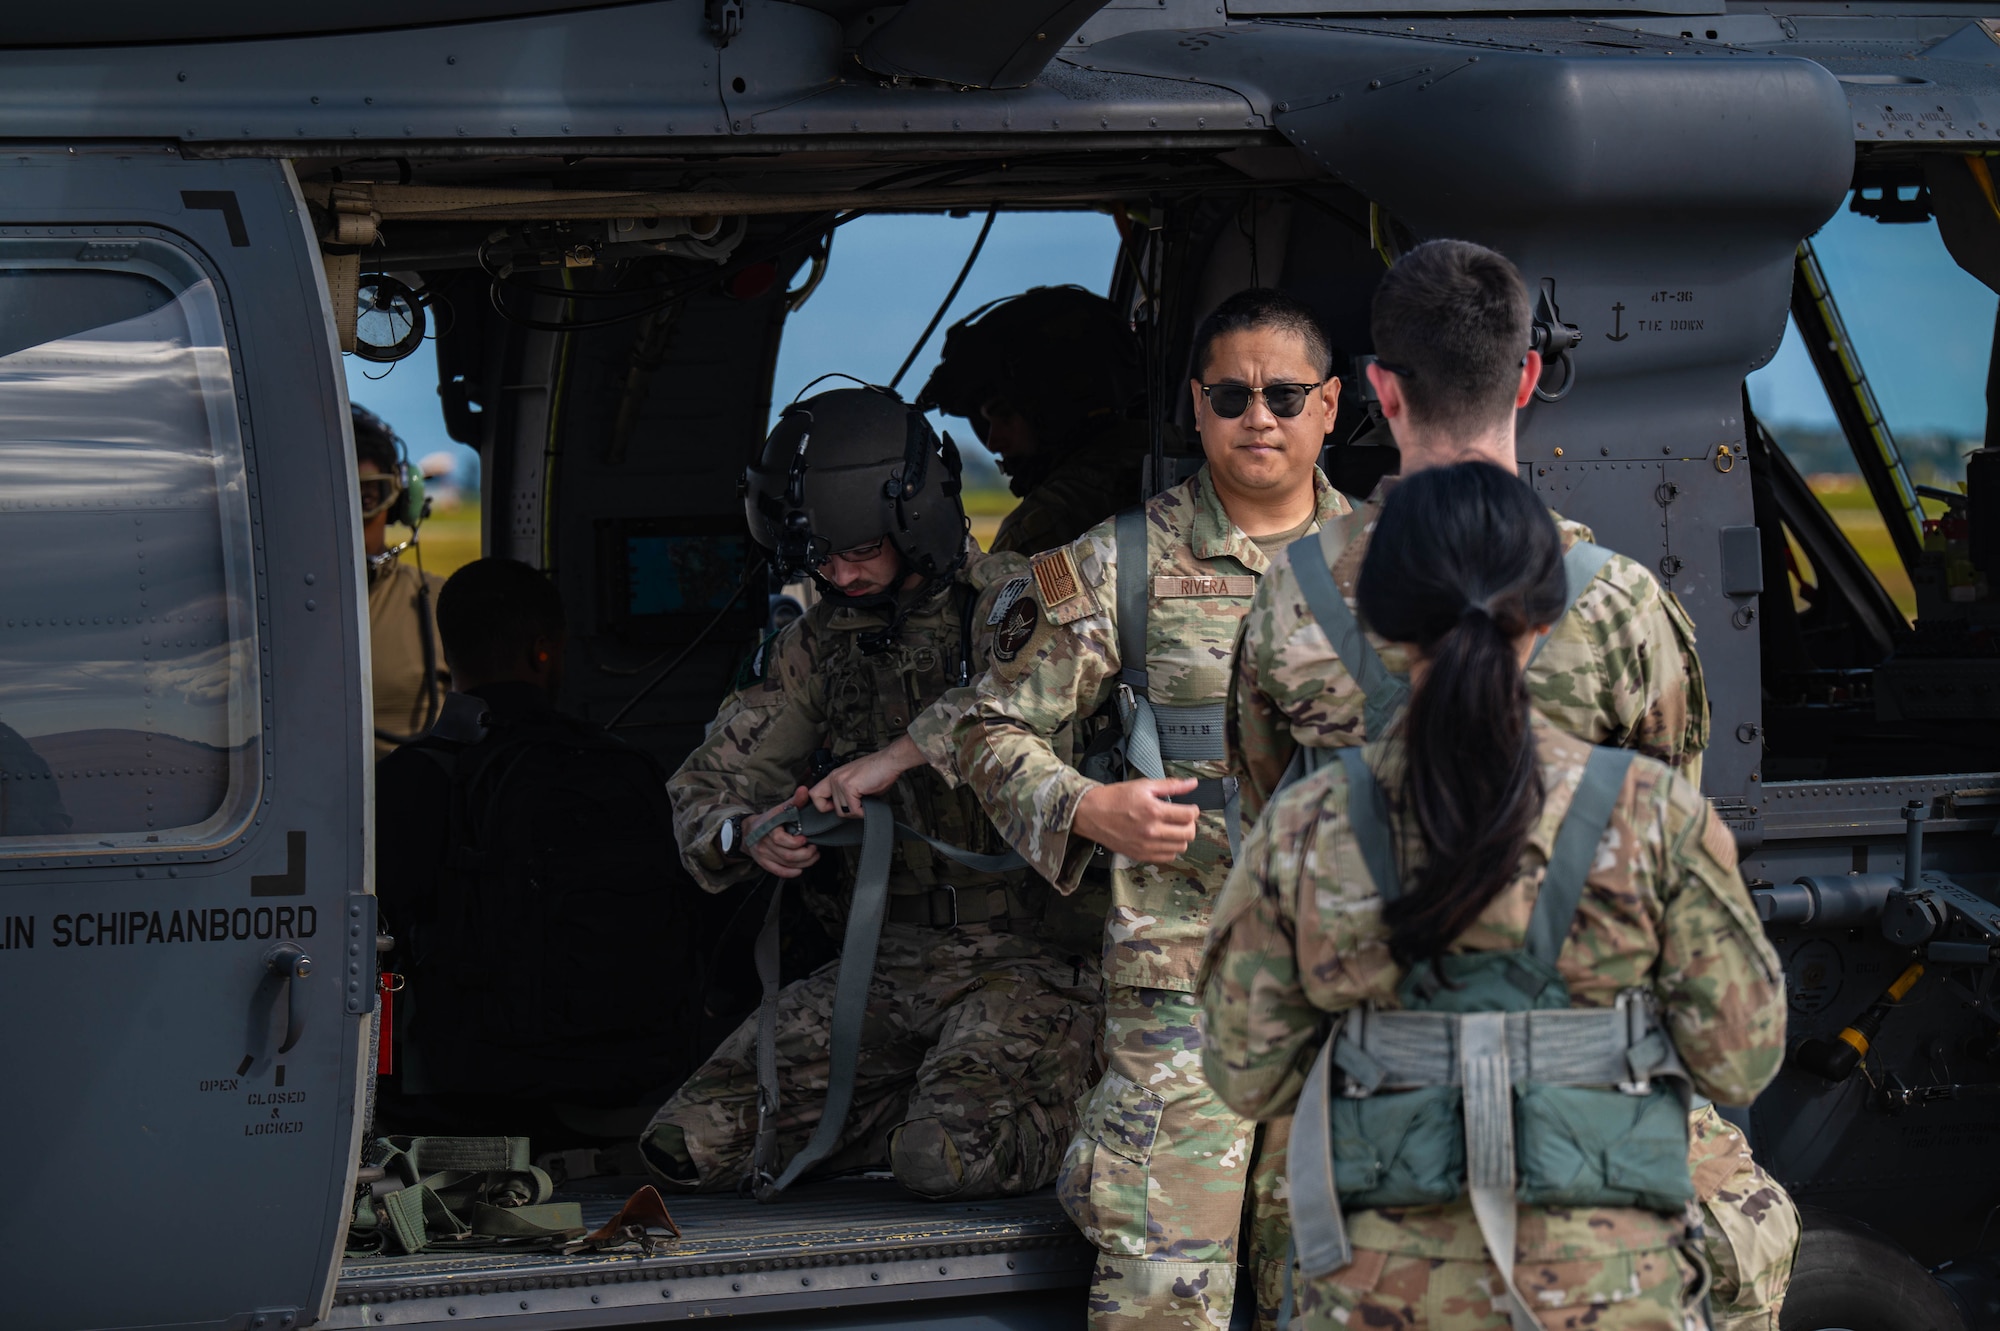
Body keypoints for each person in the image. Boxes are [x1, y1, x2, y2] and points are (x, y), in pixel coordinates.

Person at [1226, 240, 1794, 1330]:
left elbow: (1263, 835)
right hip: (1586, 1135)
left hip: (1372, 1136)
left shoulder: (1289, 602)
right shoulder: (1620, 604)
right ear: (1528, 376)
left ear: (1380, 389)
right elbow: (1672, 852)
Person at [949, 289, 1350, 1329]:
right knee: (1160, 1299)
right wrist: (1087, 805)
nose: (1258, 417)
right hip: (1185, 992)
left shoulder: (1397, 564)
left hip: (1359, 997)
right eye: (1231, 395)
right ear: (1195, 406)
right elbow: (985, 728)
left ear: (1328, 405)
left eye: (1283, 395)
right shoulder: (1114, 562)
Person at [641, 385, 1101, 1202]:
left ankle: (1092, 1091)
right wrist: (744, 832)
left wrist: (898, 757)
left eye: (858, 551)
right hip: (883, 962)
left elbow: (1025, 701)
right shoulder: (819, 642)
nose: (840, 575)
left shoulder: (1016, 606)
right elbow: (709, 782)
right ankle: (899, 1102)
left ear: (915, 520)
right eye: (820, 558)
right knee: (686, 1145)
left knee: (940, 1158)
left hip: (1028, 962)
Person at [374, 558, 690, 1146]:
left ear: (447, 651)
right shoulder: (622, 765)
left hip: (464, 1090)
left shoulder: (408, 780)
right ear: (545, 651)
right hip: (634, 1075)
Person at [918, 285, 1149, 555]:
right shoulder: (1175, 464)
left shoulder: (1044, 527)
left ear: (1054, 408)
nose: (993, 442)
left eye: (1005, 416)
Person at [355, 405, 446, 760]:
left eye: (365, 498)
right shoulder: (247, 610)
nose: (345, 517)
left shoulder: (441, 604)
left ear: (400, 500)